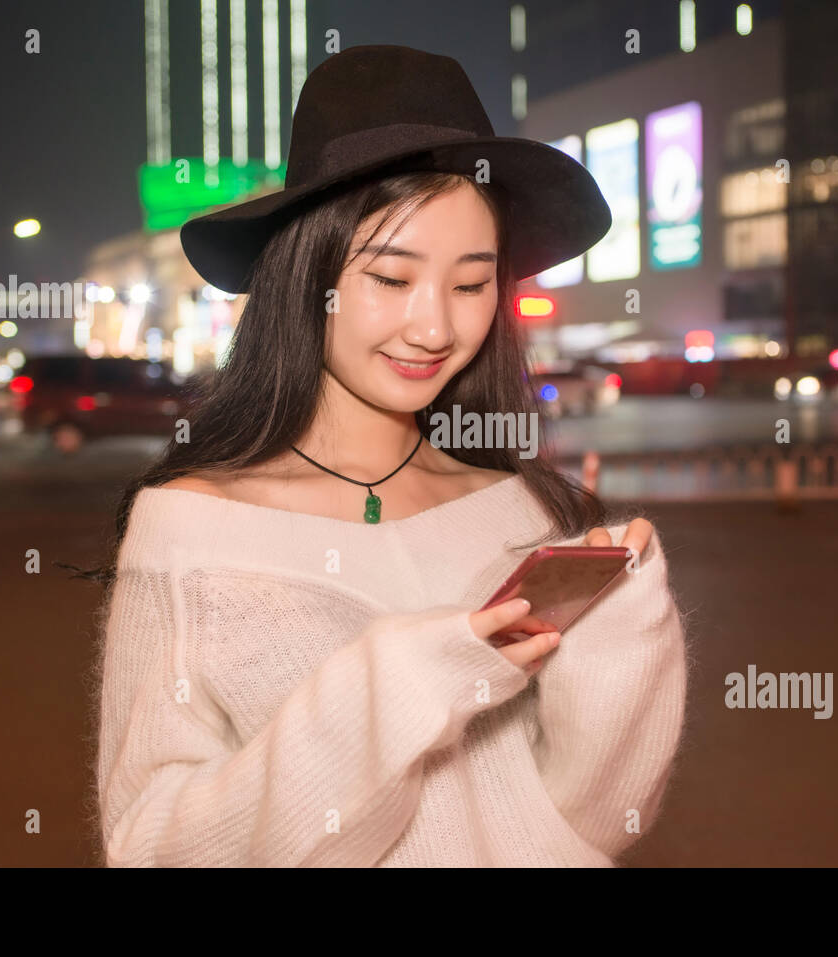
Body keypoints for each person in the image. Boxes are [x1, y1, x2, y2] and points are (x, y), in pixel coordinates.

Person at [89, 45, 690, 867]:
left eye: (471, 284)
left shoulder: (523, 510)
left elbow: (584, 827)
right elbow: (154, 848)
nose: (435, 327)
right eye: (392, 277)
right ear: (308, 276)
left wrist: (625, 643)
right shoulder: (190, 528)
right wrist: (393, 691)